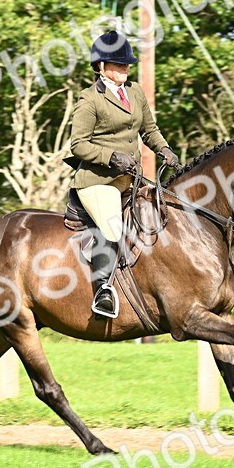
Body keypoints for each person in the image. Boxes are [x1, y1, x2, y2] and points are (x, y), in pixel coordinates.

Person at [64, 31, 178, 318]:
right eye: (119, 64)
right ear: (101, 67)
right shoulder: (89, 99)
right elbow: (78, 144)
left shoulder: (135, 92)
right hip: (97, 181)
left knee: (161, 218)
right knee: (114, 227)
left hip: (130, 179)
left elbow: (149, 130)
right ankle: (103, 291)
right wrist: (111, 157)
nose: (126, 69)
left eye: (127, 64)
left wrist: (164, 149)